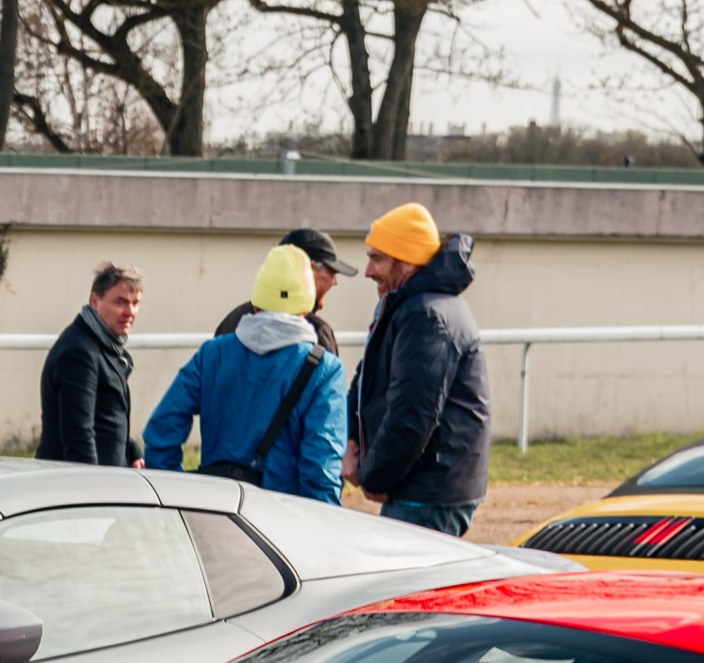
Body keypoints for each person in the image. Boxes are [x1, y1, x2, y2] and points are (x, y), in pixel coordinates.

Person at [140, 244, 348, 504]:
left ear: (256, 305)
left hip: (217, 511)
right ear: (307, 309)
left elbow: (162, 431)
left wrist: (177, 498)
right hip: (284, 518)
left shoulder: (212, 354)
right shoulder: (325, 369)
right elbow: (321, 467)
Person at [345, 201, 491, 533]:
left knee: (405, 585)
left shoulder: (426, 316)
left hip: (428, 493)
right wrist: (353, 441)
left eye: (377, 258)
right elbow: (365, 380)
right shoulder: (407, 306)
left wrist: (375, 476)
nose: (368, 271)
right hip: (422, 486)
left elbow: (412, 415)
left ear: (407, 262)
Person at [37, 262, 142, 468]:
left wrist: (131, 451)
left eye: (135, 303)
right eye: (120, 302)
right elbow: (78, 434)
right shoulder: (79, 352)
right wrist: (92, 488)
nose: (130, 311)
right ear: (95, 300)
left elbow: (105, 420)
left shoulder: (104, 346)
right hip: (78, 486)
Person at [214, 226, 343, 355]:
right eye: (331, 272)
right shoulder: (316, 331)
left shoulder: (233, 321)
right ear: (307, 269)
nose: (335, 281)